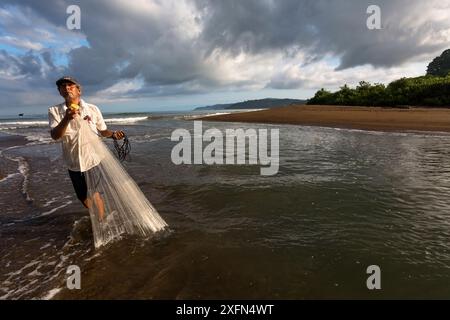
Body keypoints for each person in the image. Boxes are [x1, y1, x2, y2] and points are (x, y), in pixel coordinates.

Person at [48, 76, 125, 220]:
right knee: (82, 196)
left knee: (95, 193)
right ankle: (98, 215)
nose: (66, 88)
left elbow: (102, 131)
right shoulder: (54, 111)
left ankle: (101, 221)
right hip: (73, 161)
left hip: (93, 158)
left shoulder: (92, 109)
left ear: (79, 91)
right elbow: (55, 135)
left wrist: (113, 134)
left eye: (71, 86)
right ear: (59, 92)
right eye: (63, 86)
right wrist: (66, 118)